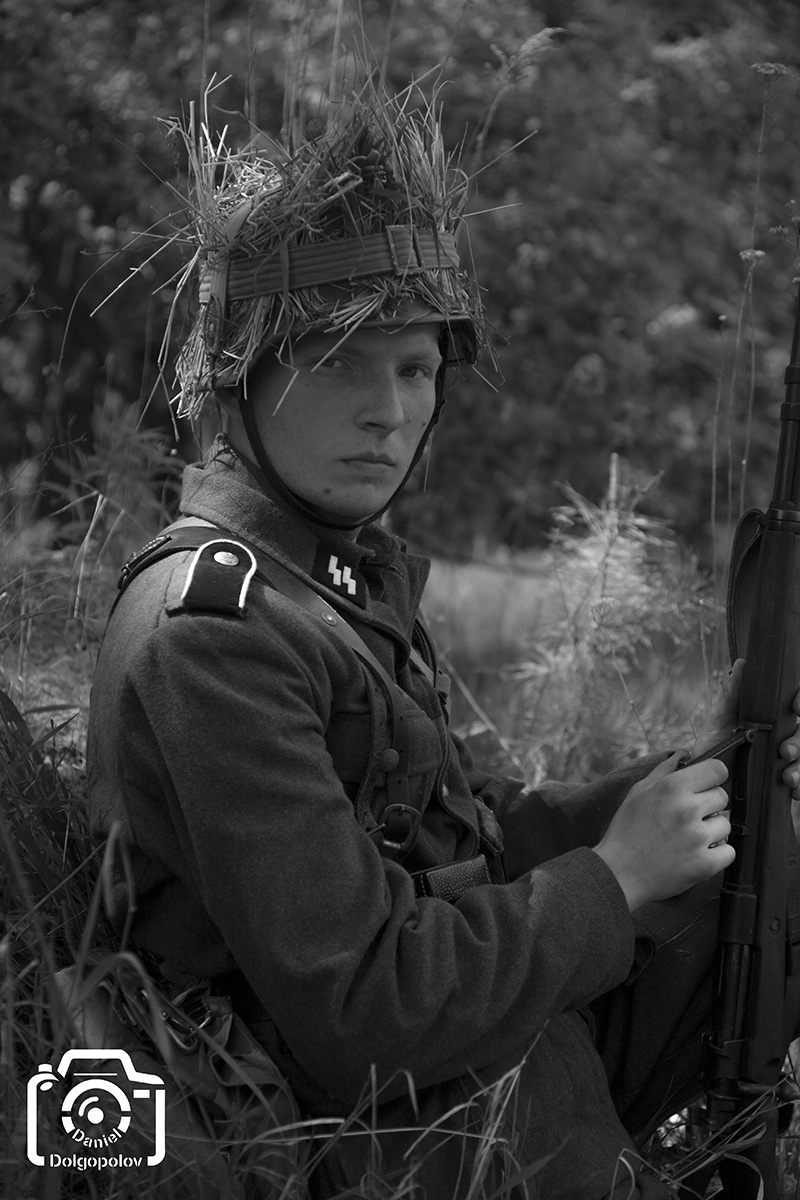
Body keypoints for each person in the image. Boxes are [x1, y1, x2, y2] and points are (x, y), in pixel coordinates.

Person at [87, 80, 800, 1199]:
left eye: (415, 369)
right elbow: (364, 1008)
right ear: (237, 376)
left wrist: (691, 784)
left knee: (765, 840)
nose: (388, 410)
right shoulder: (214, 636)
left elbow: (463, 840)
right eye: (338, 361)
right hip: (359, 1137)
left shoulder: (330, 582)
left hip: (474, 1075)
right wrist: (614, 879)